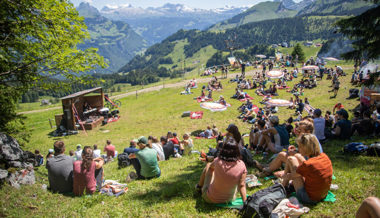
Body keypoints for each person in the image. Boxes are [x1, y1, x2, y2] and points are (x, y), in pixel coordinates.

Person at [282, 134, 333, 204]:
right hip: (323, 194)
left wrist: (284, 176)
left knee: (291, 159)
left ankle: (283, 187)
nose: (298, 149)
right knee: (297, 156)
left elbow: (292, 176)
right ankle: (284, 186)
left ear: (306, 148)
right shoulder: (324, 156)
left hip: (309, 198)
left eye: (300, 147)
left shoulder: (308, 164)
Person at [195, 137, 247, 203]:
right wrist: (245, 203)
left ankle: (199, 187)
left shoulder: (218, 161)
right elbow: (242, 185)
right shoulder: (242, 164)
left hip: (210, 198)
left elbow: (211, 168)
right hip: (229, 199)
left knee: (208, 165)